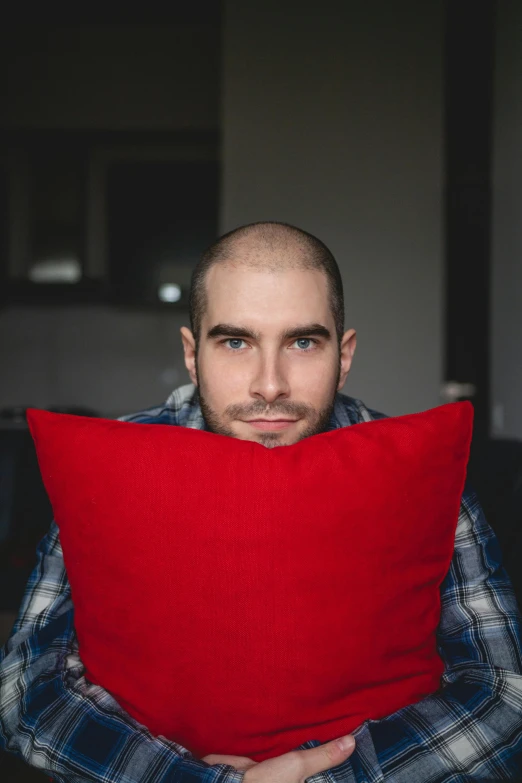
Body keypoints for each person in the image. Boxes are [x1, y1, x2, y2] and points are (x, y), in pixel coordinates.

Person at [1, 221, 522, 782]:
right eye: (234, 341)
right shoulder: (115, 459)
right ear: (191, 354)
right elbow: (25, 691)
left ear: (343, 356)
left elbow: (503, 692)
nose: (269, 385)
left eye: (303, 342)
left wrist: (327, 780)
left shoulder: (415, 462)